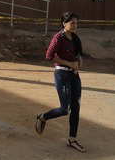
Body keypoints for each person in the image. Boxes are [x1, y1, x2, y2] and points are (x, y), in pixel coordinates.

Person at [35, 12, 86, 152]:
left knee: (76, 107)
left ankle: (72, 139)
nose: (75, 26)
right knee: (65, 109)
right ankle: (43, 117)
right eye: (72, 23)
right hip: (62, 75)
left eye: (76, 23)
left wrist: (79, 60)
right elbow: (49, 56)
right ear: (64, 23)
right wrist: (68, 63)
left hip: (75, 76)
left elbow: (78, 54)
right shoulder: (58, 38)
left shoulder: (75, 38)